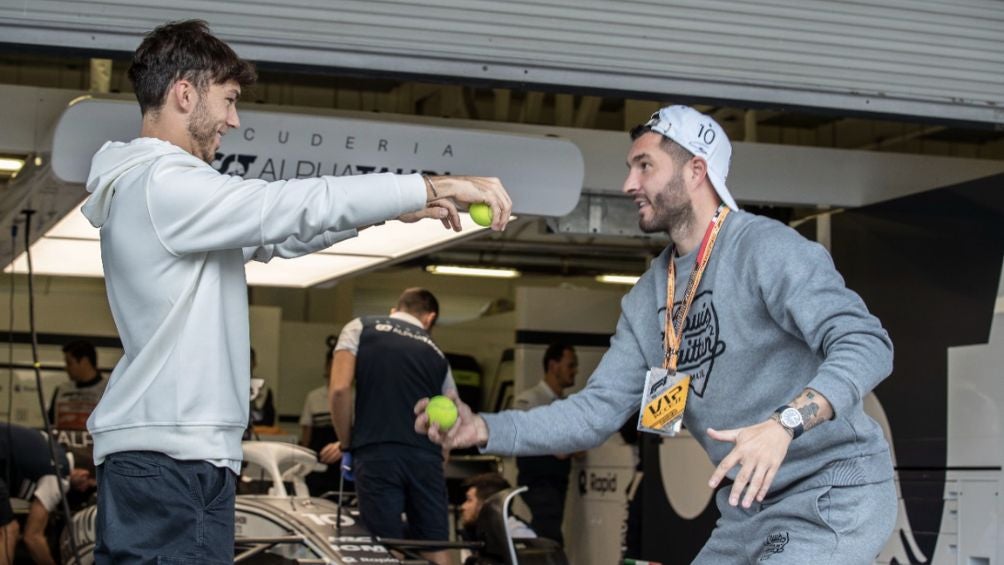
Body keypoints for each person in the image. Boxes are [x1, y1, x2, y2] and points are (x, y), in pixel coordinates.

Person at [82, 20, 511, 564]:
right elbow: (279, 207)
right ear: (184, 93)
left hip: (180, 456)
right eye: (229, 100)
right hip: (168, 460)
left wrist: (392, 209)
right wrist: (427, 183)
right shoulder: (161, 184)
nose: (234, 120)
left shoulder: (170, 195)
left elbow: (277, 237)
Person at [417, 105, 897, 563]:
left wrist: (784, 425)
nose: (628, 184)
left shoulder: (764, 249)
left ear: (696, 171)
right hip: (747, 509)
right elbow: (593, 412)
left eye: (645, 166)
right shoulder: (650, 295)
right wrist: (482, 428)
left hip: (832, 492)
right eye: (630, 168)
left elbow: (867, 343)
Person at [330, 288, 455, 565]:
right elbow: (451, 420)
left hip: (377, 453)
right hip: (427, 458)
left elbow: (339, 389)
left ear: (393, 310)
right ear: (429, 318)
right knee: (436, 546)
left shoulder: (361, 327)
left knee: (385, 550)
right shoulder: (438, 355)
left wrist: (347, 444)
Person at [511, 343, 578, 545]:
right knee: (549, 535)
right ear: (553, 365)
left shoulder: (567, 404)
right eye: (570, 365)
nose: (575, 371)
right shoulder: (528, 401)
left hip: (558, 481)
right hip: (538, 481)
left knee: (549, 530)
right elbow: (558, 448)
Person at [0, 423, 95, 565]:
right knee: (9, 530)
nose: (82, 490)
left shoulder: (52, 445)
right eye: (87, 485)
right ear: (83, 474)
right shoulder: (58, 474)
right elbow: (32, 537)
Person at [48, 340, 107, 481]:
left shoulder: (108, 389)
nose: (66, 368)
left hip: (95, 467)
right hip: (65, 465)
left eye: (69, 363)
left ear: (84, 361)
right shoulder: (61, 390)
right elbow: (50, 424)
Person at [299, 336, 345, 495]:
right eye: (333, 364)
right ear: (327, 367)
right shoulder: (314, 397)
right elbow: (306, 435)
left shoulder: (357, 397)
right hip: (318, 463)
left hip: (344, 464)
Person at [458, 473, 535, 565]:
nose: (463, 506)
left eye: (469, 500)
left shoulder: (519, 533)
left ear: (486, 505)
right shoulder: (471, 536)